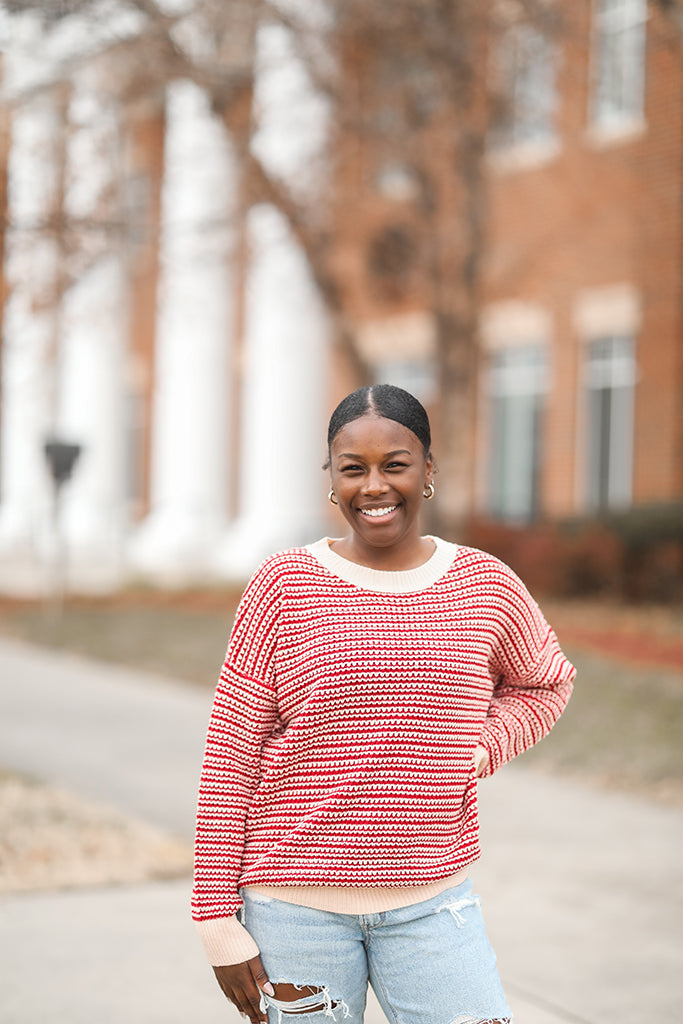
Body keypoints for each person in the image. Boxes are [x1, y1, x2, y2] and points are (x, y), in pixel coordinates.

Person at [192, 384, 575, 1024]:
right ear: (331, 479)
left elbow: (545, 683)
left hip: (434, 905)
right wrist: (215, 922)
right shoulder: (284, 585)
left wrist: (479, 747)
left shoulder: (484, 583)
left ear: (427, 470)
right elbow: (231, 751)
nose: (374, 486)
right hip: (292, 911)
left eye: (394, 464)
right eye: (353, 468)